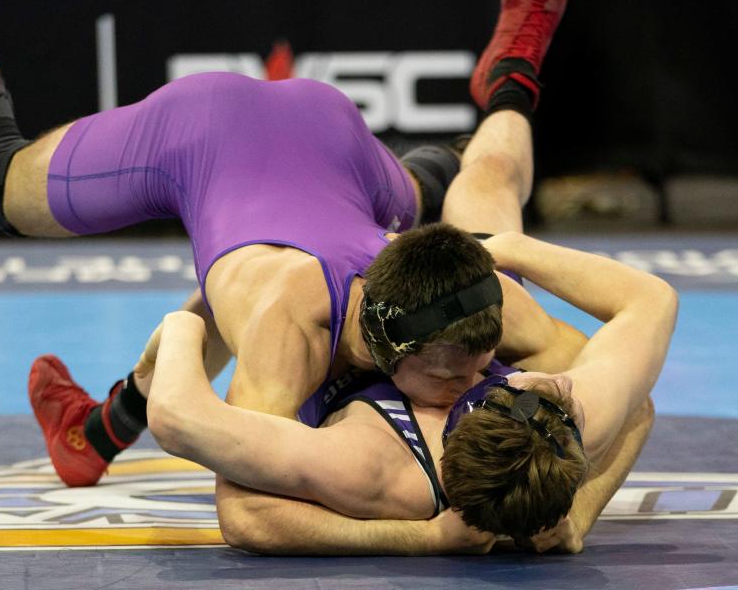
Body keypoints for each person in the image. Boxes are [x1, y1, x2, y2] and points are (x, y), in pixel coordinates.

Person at [0, 0, 621, 553]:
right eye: (445, 371)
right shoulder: (289, 329)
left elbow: (629, 394)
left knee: (480, 203)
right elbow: (243, 508)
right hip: (205, 133)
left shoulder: (479, 309)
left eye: (469, 366)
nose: (461, 386)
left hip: (336, 144)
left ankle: (515, 72)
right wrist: (421, 537)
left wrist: (576, 514)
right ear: (383, 343)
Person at [140, 231, 675, 554]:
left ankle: (429, 173)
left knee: (257, 284)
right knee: (490, 185)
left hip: (301, 290)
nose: (539, 384)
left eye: (509, 387)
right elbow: (649, 320)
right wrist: (577, 517)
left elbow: (236, 503)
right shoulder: (575, 415)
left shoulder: (381, 470)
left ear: (466, 417)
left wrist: (184, 330)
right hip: (424, 301)